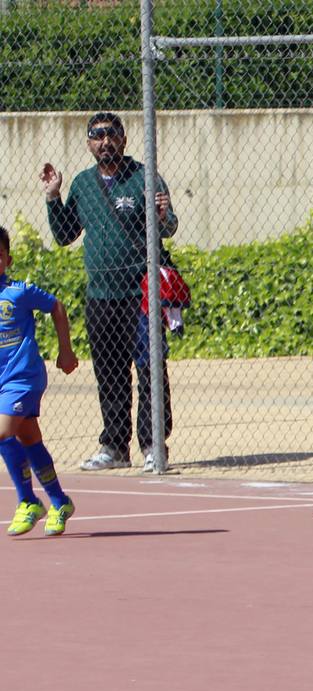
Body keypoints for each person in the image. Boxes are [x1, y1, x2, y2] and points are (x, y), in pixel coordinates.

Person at [42, 112, 178, 474]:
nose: (105, 142)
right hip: (101, 297)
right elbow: (65, 233)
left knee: (150, 370)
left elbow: (170, 227)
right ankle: (115, 446)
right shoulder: (84, 185)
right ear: (89, 143)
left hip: (141, 295)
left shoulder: (143, 178)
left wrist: (163, 215)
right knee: (111, 373)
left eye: (112, 135)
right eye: (98, 136)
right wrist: (54, 197)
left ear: (124, 139)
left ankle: (153, 446)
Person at [1, 227, 79, 537]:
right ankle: (59, 502)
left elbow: (56, 306)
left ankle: (28, 501)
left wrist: (66, 351)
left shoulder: (19, 291)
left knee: (3, 433)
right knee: (29, 439)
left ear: (7, 260)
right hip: (4, 383)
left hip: (24, 378)